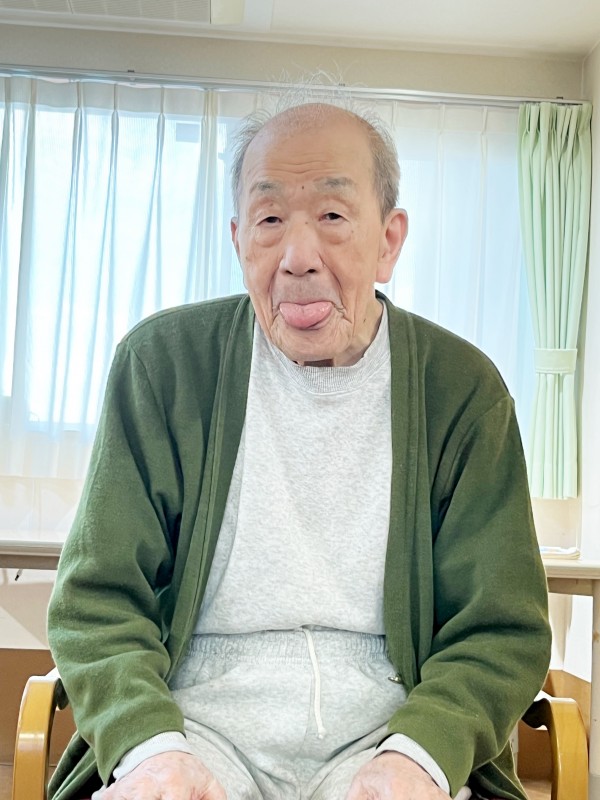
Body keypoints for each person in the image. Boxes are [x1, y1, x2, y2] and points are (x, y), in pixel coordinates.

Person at [47, 100, 551, 800]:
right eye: (270, 220)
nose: (298, 258)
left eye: (333, 216)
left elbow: (500, 627)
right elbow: (96, 601)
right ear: (238, 241)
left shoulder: (462, 389)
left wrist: (418, 757)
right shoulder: (162, 366)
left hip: (392, 725)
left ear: (389, 241)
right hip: (193, 721)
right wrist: (152, 750)